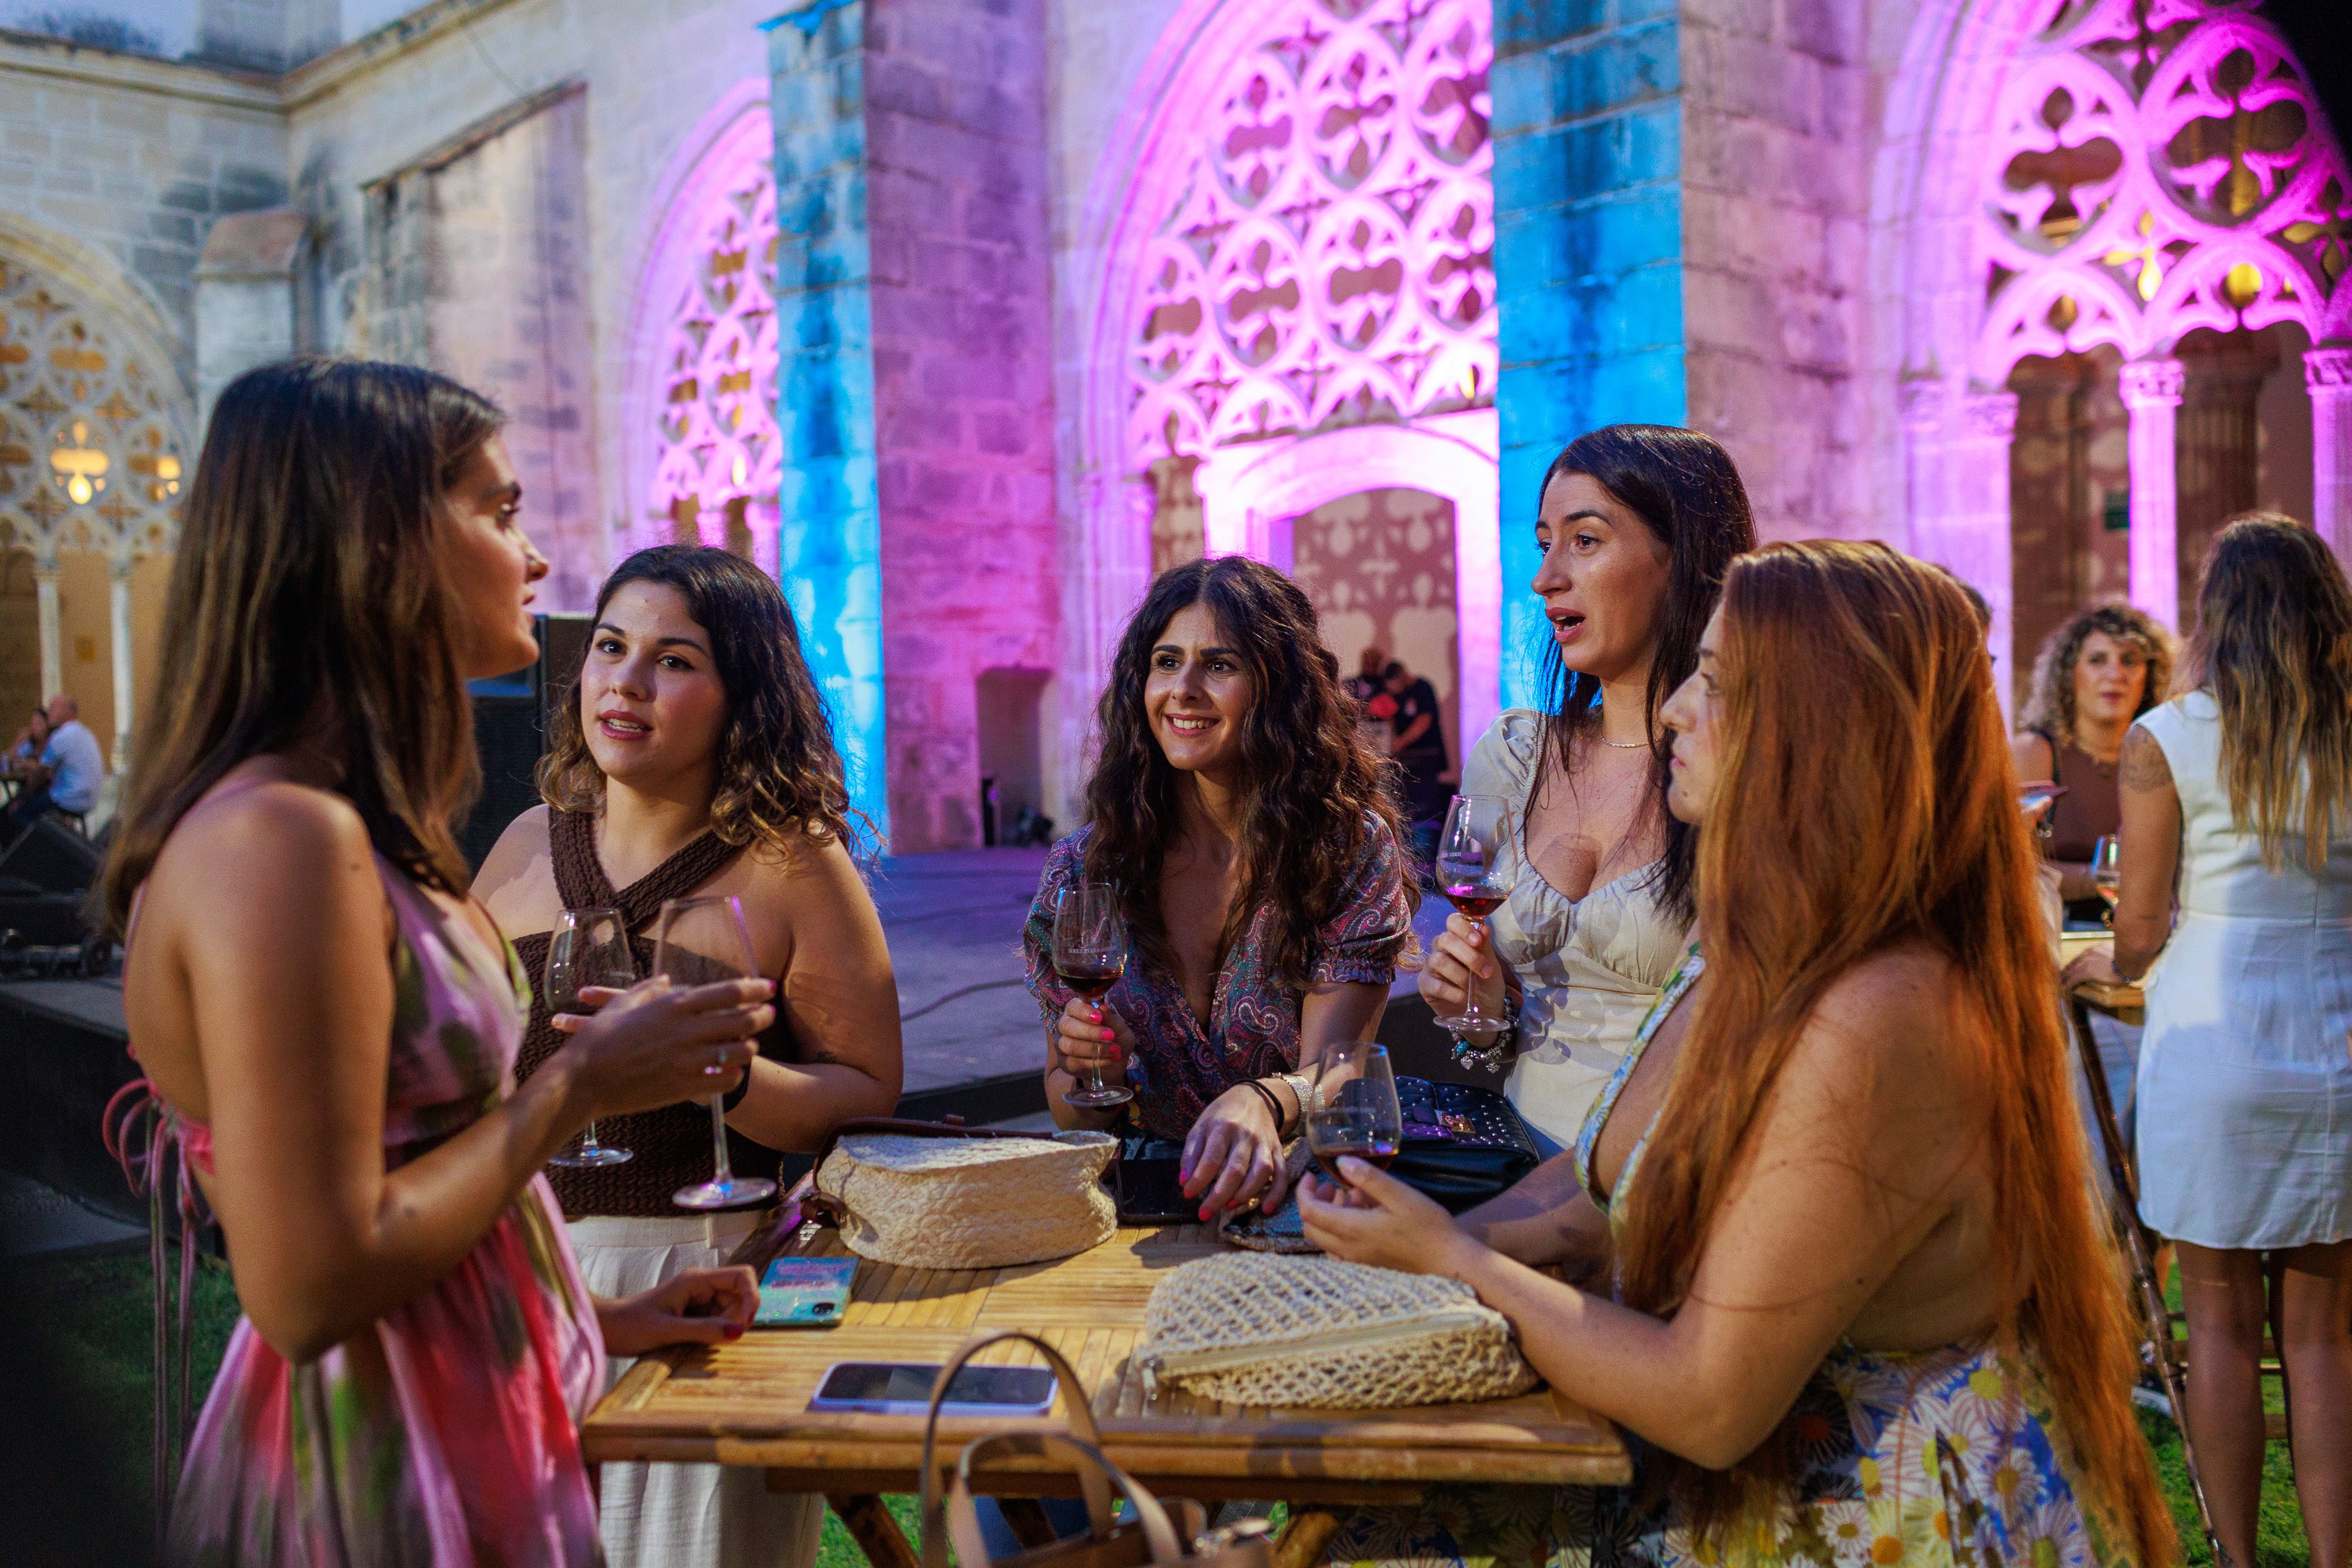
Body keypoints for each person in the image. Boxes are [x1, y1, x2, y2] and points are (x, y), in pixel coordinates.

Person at [1299, 540, 2173, 1566]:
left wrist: (1448, 1260)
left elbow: (1710, 1399)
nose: (1672, 708)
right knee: (1355, 1525)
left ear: (1820, 726)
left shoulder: (1881, 1008)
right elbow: (1600, 1190)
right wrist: (1393, 1249)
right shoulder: (1755, 941)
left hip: (1875, 1517)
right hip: (1729, 1481)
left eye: (1714, 682)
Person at [101, 359, 780, 1565]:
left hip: (472, 1422)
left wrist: (603, 1314)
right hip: (380, 1479)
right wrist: (576, 1087)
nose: (535, 555)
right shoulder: (279, 839)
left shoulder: (357, 824)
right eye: (501, 508)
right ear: (377, 536)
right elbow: (309, 1286)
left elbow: (416, 1187)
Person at [474, 542, 903, 1568]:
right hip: (524, 1280)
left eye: (673, 659)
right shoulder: (525, 843)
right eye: (612, 646)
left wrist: (738, 1080)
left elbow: (868, 1088)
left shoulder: (793, 859)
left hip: (700, 1274)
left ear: (741, 696)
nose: (624, 681)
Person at [2072, 513, 2352, 1568]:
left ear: (2214, 616)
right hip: (2337, 1033)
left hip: (2214, 1035)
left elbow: (2139, 931)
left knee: (2223, 1329)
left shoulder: (2169, 735)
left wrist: (2099, 967)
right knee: (2325, 1337)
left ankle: (2237, 1560)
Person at [1026, 554, 1413, 1219]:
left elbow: (1339, 1070)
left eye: (1221, 665)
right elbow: (1069, 1108)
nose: (1184, 689)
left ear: (1279, 687)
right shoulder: (1084, 872)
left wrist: (1265, 1098)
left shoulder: (1345, 851)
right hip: (1140, 1199)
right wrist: (1097, 1069)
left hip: (1296, 1194)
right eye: (1166, 661)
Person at [1415, 425, 1754, 1151]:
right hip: (1515, 1161)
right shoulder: (1509, 759)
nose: (1545, 578)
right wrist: (1481, 1017)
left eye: (1586, 541)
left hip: (1671, 1172)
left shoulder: (1741, 770)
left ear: (1684, 555)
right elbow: (1488, 1039)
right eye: (1545, 544)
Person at [2013, 602, 2174, 924]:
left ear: (2150, 677)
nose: (2116, 675)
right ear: (2069, 674)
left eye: (2130, 661)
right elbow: (2010, 866)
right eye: (2097, 660)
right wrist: (2104, 877)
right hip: (2051, 929)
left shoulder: (2166, 755)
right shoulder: (2034, 751)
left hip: (2147, 929)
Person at [2, 692, 104, 836]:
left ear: (67, 712)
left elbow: (39, 775)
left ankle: (48, 844)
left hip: (68, 798)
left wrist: (22, 797)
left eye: (53, 708)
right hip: (88, 799)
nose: (49, 713)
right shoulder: (85, 733)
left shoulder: (62, 736)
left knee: (18, 814)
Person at [1381, 657, 1449, 859]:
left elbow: (1424, 721)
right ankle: (1411, 859)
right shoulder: (1398, 696)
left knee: (1425, 812)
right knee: (1407, 812)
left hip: (1426, 761)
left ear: (1401, 675)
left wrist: (1397, 745)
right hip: (1406, 763)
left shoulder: (1422, 687)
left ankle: (1426, 859)